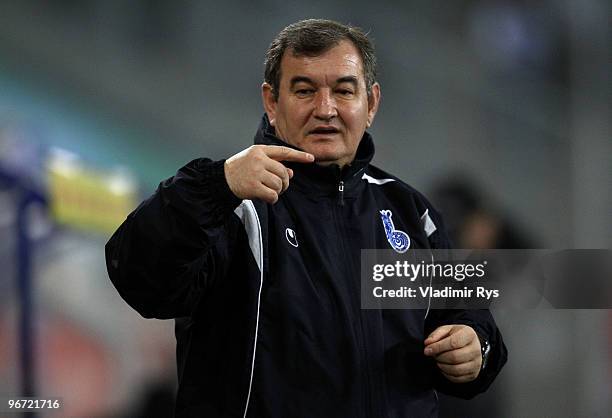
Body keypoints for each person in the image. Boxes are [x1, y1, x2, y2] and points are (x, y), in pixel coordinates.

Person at [105, 19, 507, 418]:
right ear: (271, 102)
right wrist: (216, 185)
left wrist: (475, 347)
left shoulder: (410, 213)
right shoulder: (232, 205)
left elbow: (468, 318)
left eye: (344, 90)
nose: (325, 109)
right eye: (304, 90)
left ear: (372, 103)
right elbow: (140, 279)